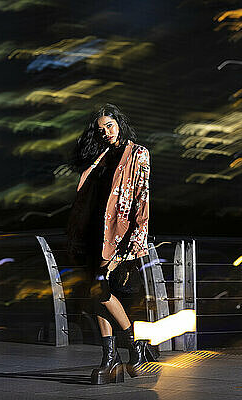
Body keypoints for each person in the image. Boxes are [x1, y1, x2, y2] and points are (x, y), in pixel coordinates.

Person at [67, 103, 155, 385]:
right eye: (101, 128)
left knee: (102, 290)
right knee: (94, 293)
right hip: (93, 234)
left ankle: (135, 342)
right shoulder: (100, 156)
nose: (106, 132)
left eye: (110, 125)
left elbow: (143, 200)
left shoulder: (138, 154)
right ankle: (110, 356)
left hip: (117, 235)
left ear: (120, 123)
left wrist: (134, 243)